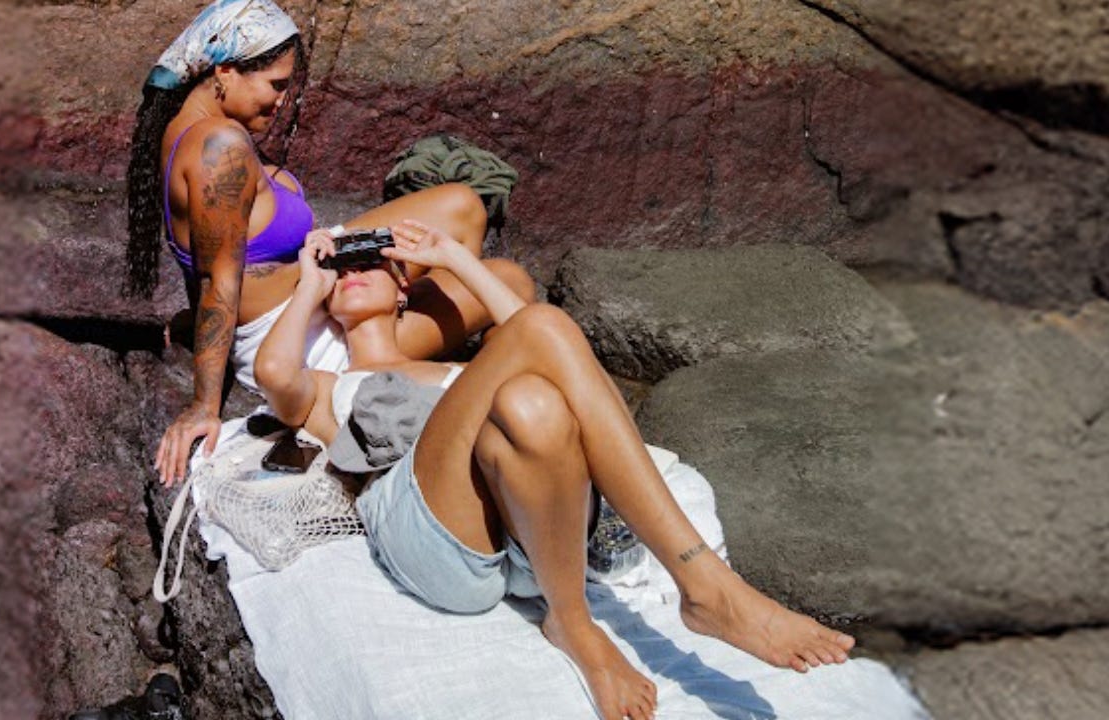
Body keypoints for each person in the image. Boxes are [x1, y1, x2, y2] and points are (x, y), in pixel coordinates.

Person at [256, 222, 857, 720]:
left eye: (372, 265)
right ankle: (706, 586)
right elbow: (276, 374)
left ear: (405, 292)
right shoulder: (327, 386)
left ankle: (571, 621)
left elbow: (549, 345)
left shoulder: (468, 374)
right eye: (341, 271)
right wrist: (309, 283)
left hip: (536, 546)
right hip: (430, 529)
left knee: (535, 403)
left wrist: (454, 258)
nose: (352, 271)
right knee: (541, 330)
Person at [123, 0, 534, 485]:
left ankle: (418, 330)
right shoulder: (220, 146)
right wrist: (203, 403)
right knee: (499, 266)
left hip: (312, 290)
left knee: (474, 226)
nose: (280, 103)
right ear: (226, 71)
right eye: (275, 85)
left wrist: (196, 321)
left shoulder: (186, 131)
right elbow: (218, 276)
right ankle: (459, 380)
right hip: (303, 340)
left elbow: (210, 250)